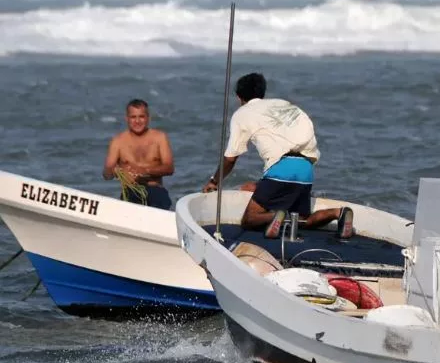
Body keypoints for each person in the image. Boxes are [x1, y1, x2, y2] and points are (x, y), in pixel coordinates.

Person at [202, 72, 353, 239]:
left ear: (239, 97)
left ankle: (278, 216)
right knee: (302, 220)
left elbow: (230, 159)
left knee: (249, 219)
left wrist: (214, 181)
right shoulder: (283, 104)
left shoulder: (242, 114)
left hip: (281, 169)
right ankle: (338, 213)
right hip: (306, 169)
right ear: (262, 93)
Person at [102, 99, 174, 210]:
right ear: (127, 119)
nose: (137, 121)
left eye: (141, 117)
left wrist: (144, 171)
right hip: (131, 192)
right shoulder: (118, 141)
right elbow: (107, 174)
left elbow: (169, 168)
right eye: (133, 117)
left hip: (155, 190)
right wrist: (116, 171)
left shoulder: (160, 138)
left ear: (148, 118)